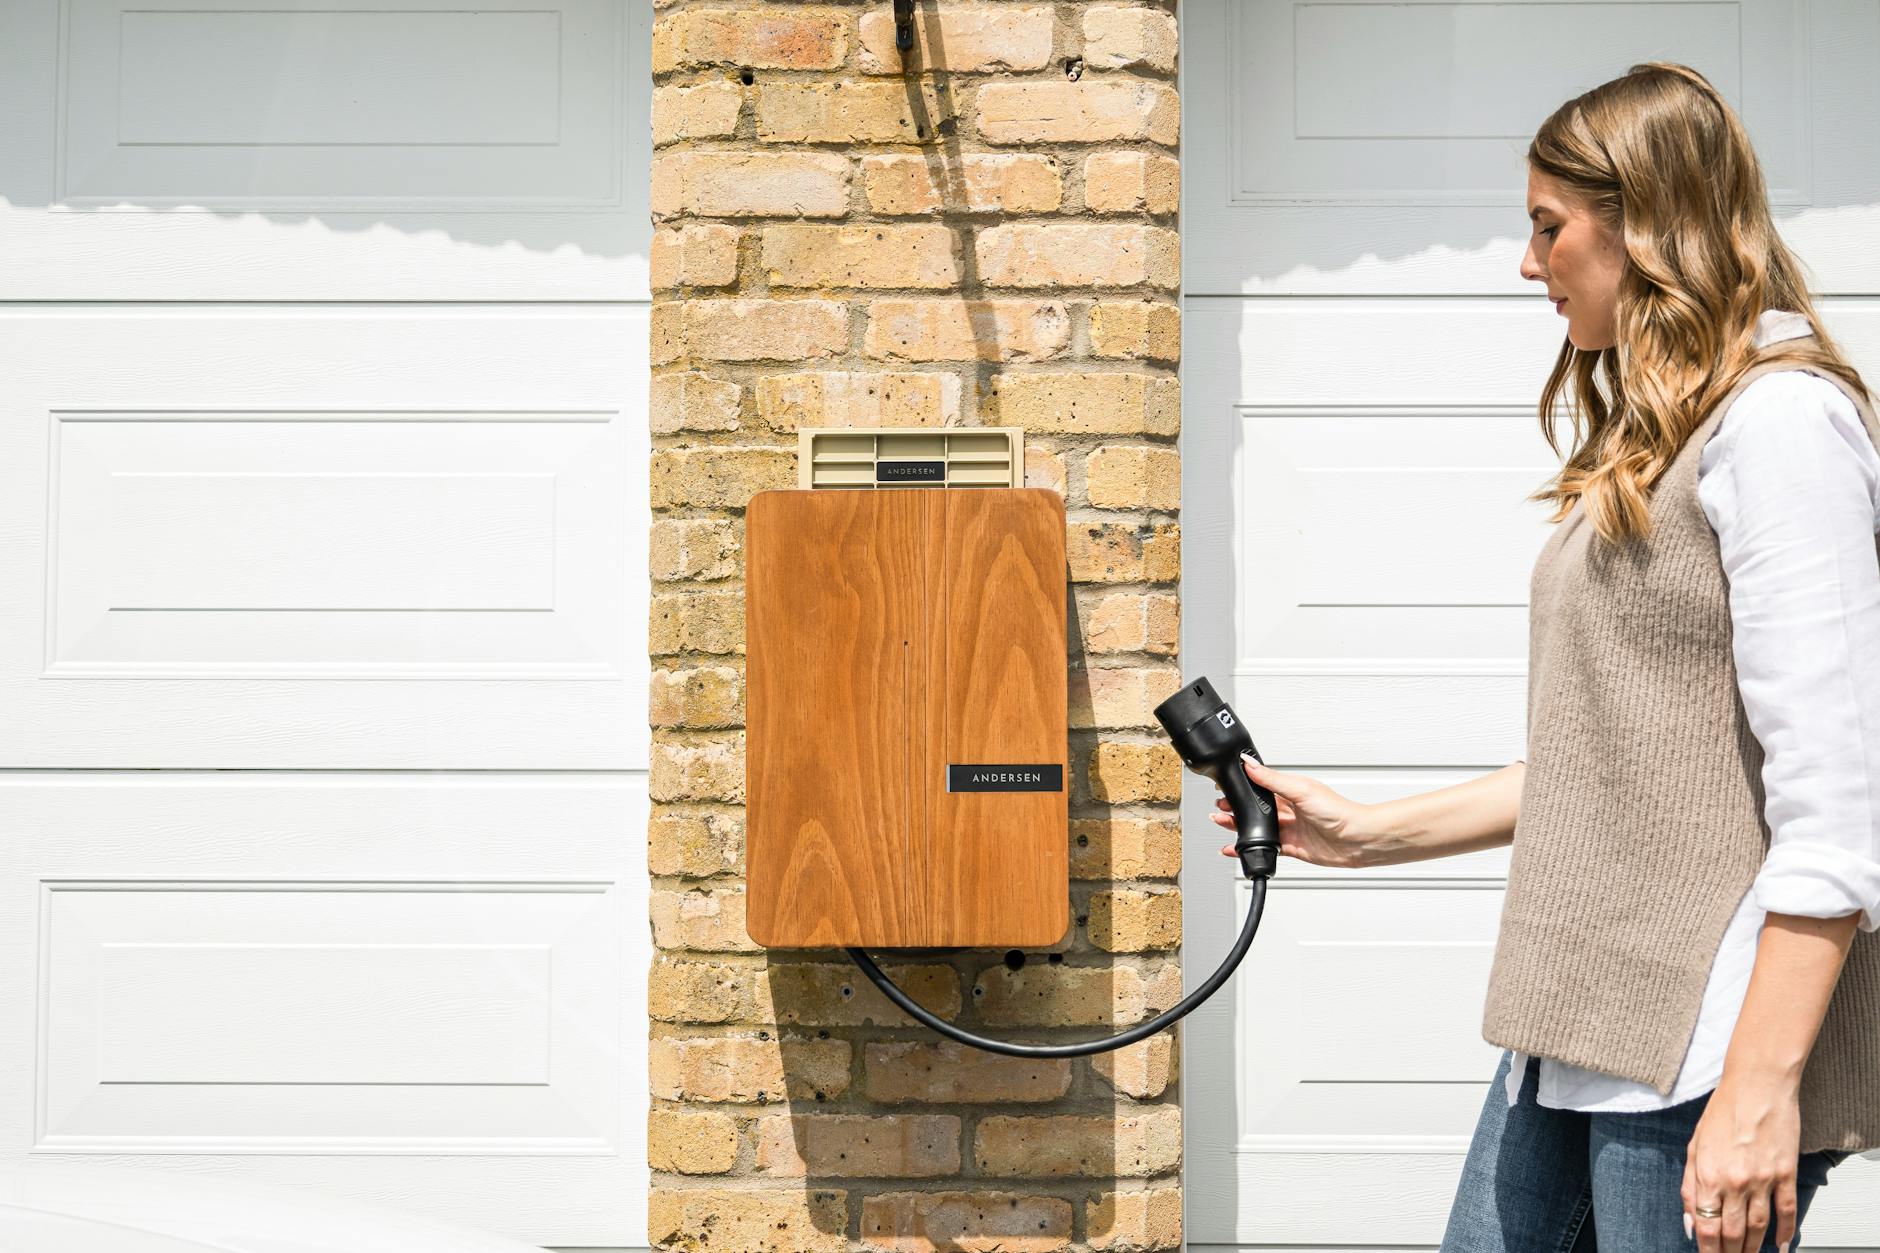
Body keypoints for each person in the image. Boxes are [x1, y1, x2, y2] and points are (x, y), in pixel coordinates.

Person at [1214, 61, 1880, 1253]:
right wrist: (1365, 832)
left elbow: (1837, 809)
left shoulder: (1781, 426)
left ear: (1648, 225)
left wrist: (1759, 1087)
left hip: (1695, 1050)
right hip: (1581, 1020)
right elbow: (1622, 763)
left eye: (1546, 225)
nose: (1527, 262)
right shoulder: (1669, 435)